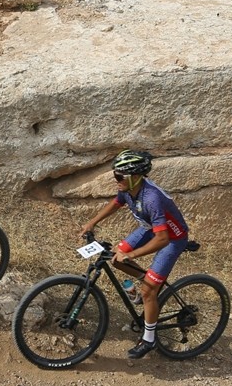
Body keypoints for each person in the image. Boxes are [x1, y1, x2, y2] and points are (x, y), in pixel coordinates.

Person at [80, 150, 191, 360]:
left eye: (119, 176)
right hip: (149, 228)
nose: (116, 180)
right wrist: (92, 222)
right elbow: (116, 203)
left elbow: (162, 239)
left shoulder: (151, 198)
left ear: (136, 177)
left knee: (147, 289)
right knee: (115, 257)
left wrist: (133, 255)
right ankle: (147, 285)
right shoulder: (128, 188)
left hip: (172, 238)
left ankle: (149, 339)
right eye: (115, 175)